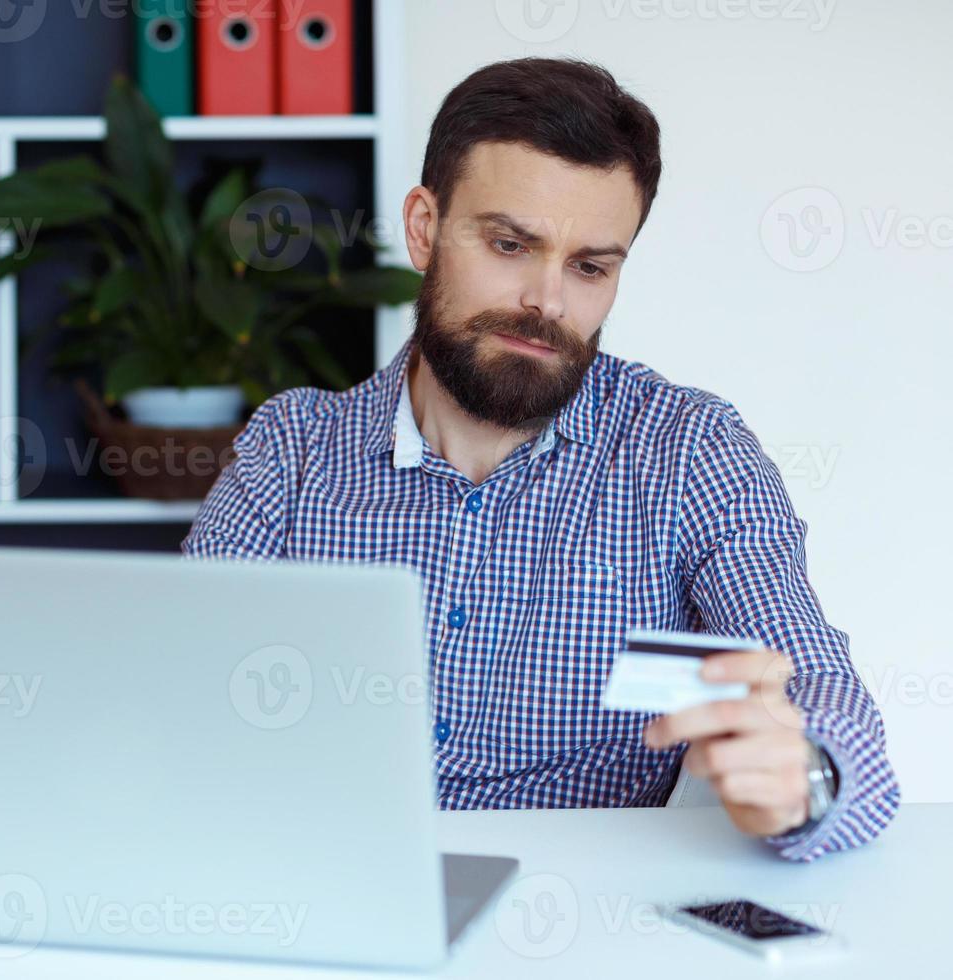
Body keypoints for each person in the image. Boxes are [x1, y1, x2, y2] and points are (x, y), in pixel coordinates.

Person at [181, 57, 898, 862]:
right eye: (510, 244)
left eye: (590, 266)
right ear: (424, 229)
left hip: (583, 929)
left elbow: (817, 685)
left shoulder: (688, 453)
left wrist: (807, 776)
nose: (548, 303)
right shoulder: (293, 452)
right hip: (322, 892)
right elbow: (175, 694)